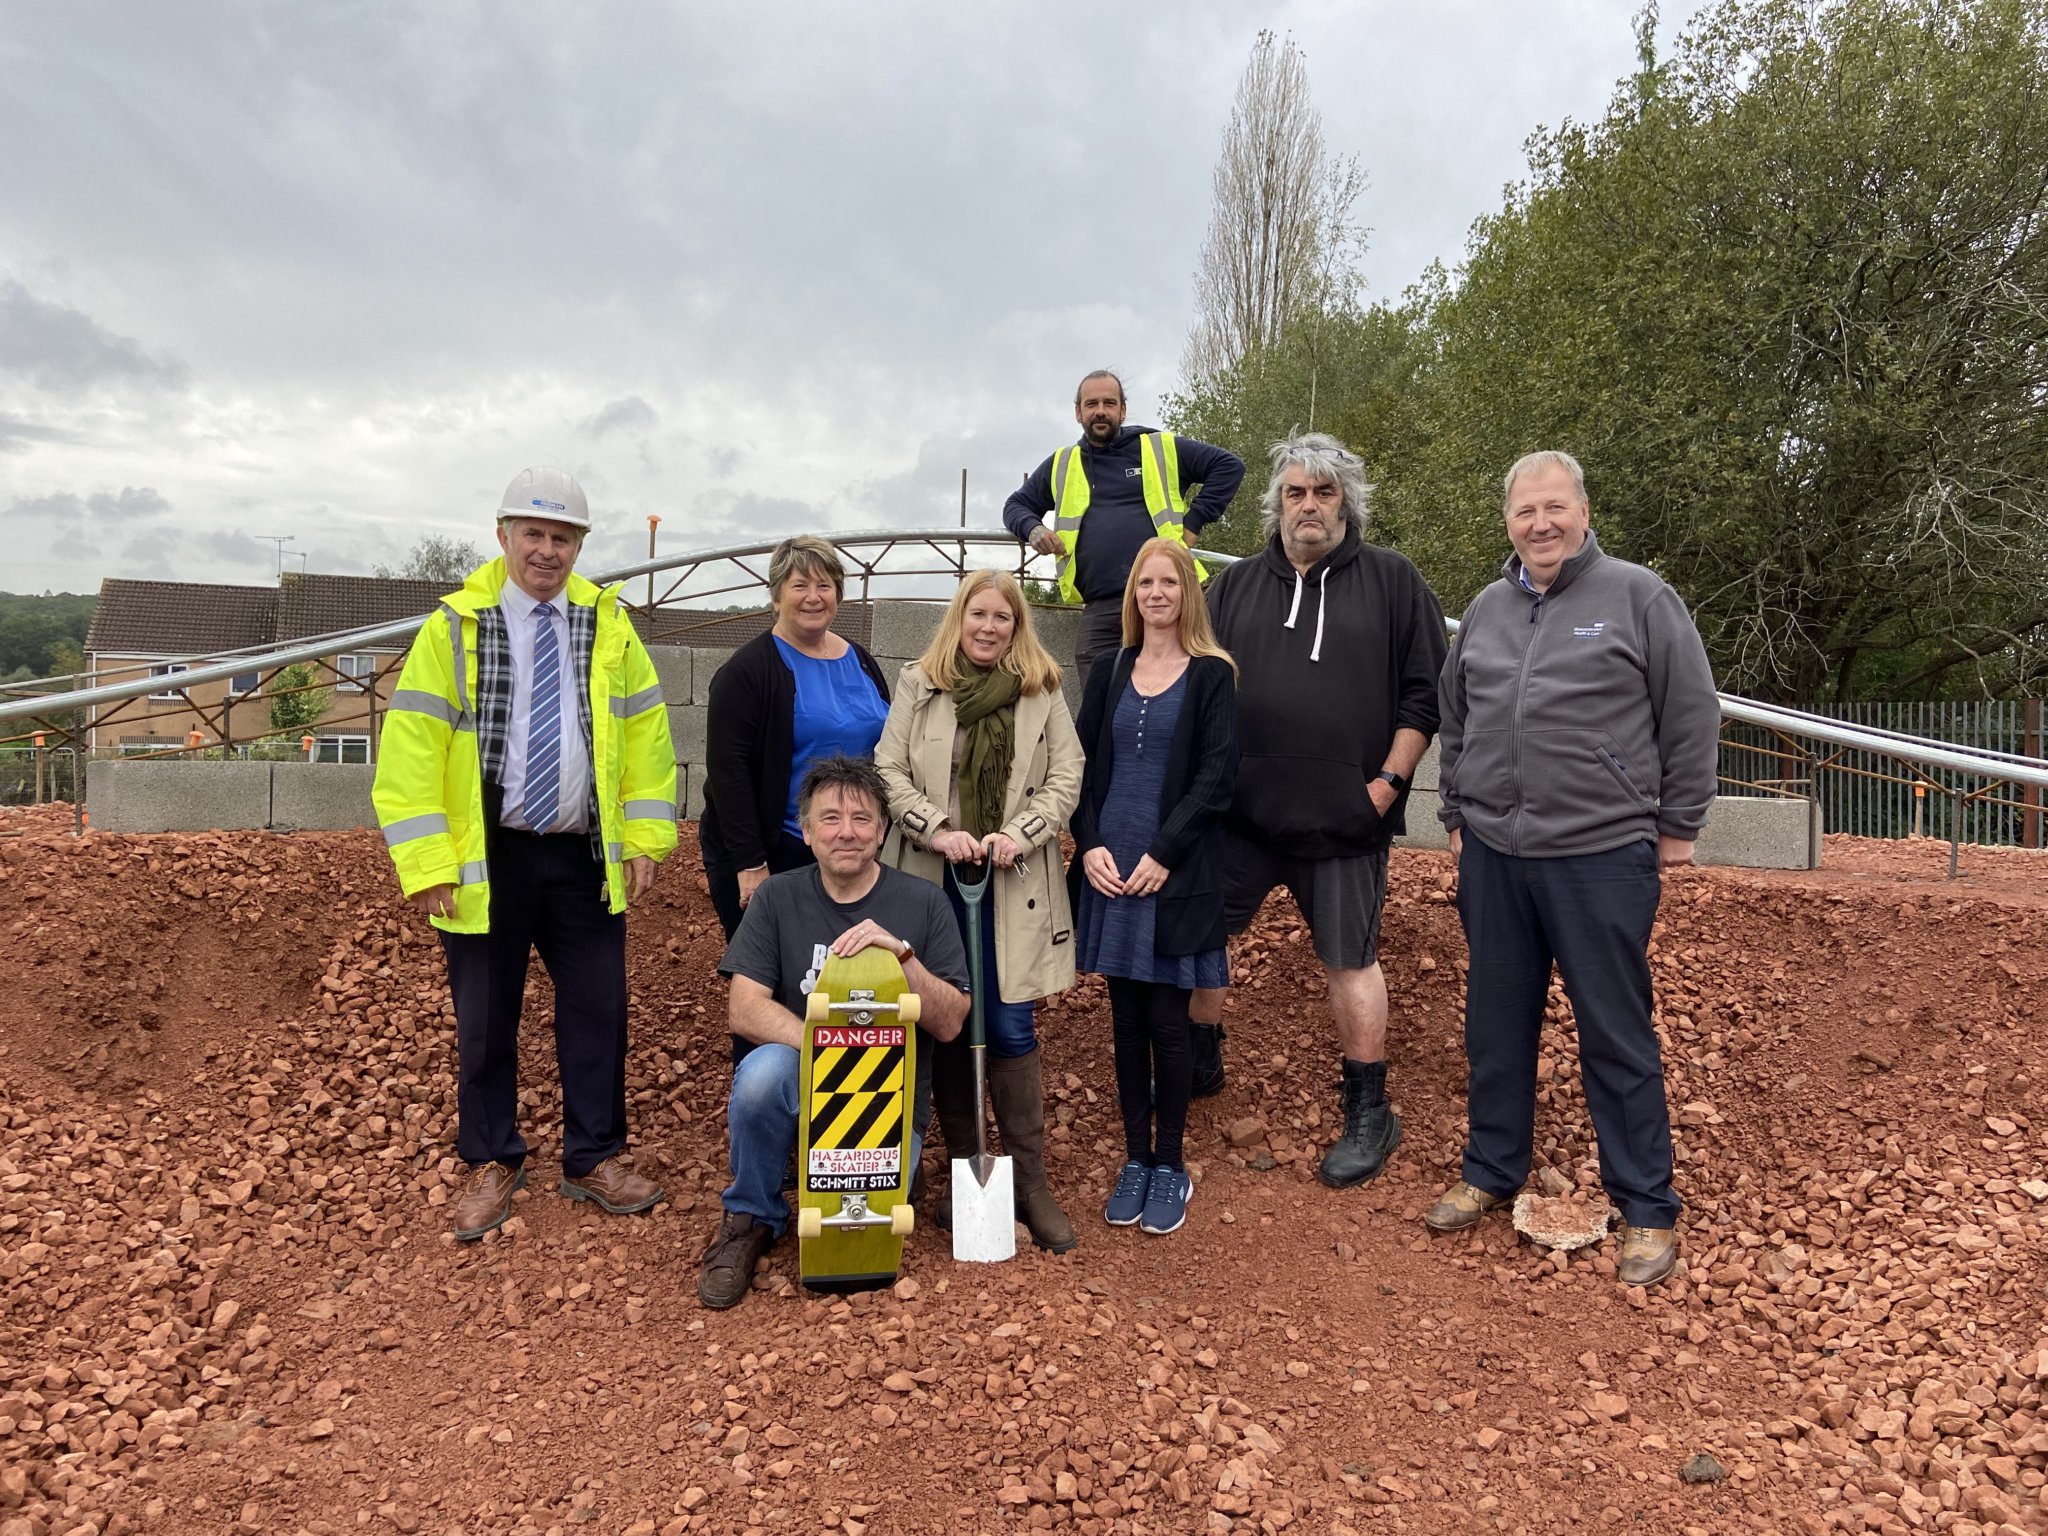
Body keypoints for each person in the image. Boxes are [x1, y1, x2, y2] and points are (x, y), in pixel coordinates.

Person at [1428, 450, 1719, 1288]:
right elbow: (1458, 716)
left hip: (1601, 854)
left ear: (1583, 512)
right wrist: (1455, 815)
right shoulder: (1485, 609)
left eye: (1555, 508)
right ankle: (1491, 1168)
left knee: (1615, 1032)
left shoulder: (1638, 597)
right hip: (1495, 855)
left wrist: (1679, 826)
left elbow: (1690, 711)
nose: (1541, 524)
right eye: (1525, 513)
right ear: (1509, 523)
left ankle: (1647, 1208)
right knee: (1496, 1023)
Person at [372, 466, 677, 1241]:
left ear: (579, 545)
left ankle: (594, 1157)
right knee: (484, 1017)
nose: (547, 550)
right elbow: (410, 748)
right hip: (490, 853)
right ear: (503, 536)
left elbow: (645, 736)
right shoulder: (453, 628)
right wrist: (430, 861)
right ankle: (491, 1156)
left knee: (598, 1009)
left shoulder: (609, 625)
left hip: (582, 854)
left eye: (562, 537)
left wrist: (644, 838)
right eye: (533, 534)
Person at [1199, 434, 1447, 1189]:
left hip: (1345, 822)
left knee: (1350, 963)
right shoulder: (1234, 587)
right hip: (1240, 818)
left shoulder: (1395, 581)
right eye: (1298, 493)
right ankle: (1199, 1063)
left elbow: (1424, 696)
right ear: (1278, 503)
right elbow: (1194, 686)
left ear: (1348, 502)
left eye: (1326, 493)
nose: (1310, 506)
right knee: (1199, 937)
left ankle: (1370, 1109)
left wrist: (1387, 787)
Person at [697, 755, 972, 1310]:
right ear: (805, 829)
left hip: (887, 1103)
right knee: (759, 1076)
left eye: (862, 819)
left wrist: (904, 956)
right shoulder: (778, 898)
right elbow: (744, 1009)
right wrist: (832, 1049)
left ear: (883, 831)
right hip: (806, 1077)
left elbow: (951, 1021)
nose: (846, 832)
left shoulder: (922, 902)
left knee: (857, 1231)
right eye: (830, 818)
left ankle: (890, 1180)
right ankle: (752, 1214)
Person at [874, 570, 1085, 1253]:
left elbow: (1066, 776)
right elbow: (888, 770)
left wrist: (1017, 832)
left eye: (1003, 617)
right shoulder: (920, 682)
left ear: (1018, 624)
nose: (990, 627)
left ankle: (1029, 1183)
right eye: (978, 615)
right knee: (947, 1021)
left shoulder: (1041, 688)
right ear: (959, 619)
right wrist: (935, 827)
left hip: (1010, 878)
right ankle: (968, 1172)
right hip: (934, 881)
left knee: (1012, 1024)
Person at [1072, 538, 1238, 1236]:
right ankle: (1135, 1158)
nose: (1157, 592)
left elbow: (1218, 775)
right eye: (1146, 581)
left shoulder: (1211, 675)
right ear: (1134, 593)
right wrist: (1088, 846)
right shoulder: (1111, 668)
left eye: (1169, 581)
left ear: (1187, 593)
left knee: (1170, 1026)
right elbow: (1076, 769)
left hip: (1171, 877)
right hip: (1112, 871)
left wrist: (1165, 853)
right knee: (1125, 1023)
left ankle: (1171, 1163)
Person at [699, 534, 891, 954]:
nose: (813, 597)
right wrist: (751, 864)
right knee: (781, 975)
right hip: (778, 850)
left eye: (824, 586)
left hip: (850, 848)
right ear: (776, 595)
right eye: (799, 585)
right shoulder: (747, 673)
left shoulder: (860, 659)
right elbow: (728, 773)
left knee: (851, 969)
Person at [1002, 369, 1244, 680]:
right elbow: (1015, 505)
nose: (1100, 411)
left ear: (1123, 410)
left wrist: (1194, 523)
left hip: (1168, 600)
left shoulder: (1158, 447)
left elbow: (1229, 466)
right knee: (1099, 710)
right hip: (1101, 607)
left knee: (1174, 699)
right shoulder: (1062, 463)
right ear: (1078, 412)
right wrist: (1034, 530)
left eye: (1109, 403)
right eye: (1091, 404)